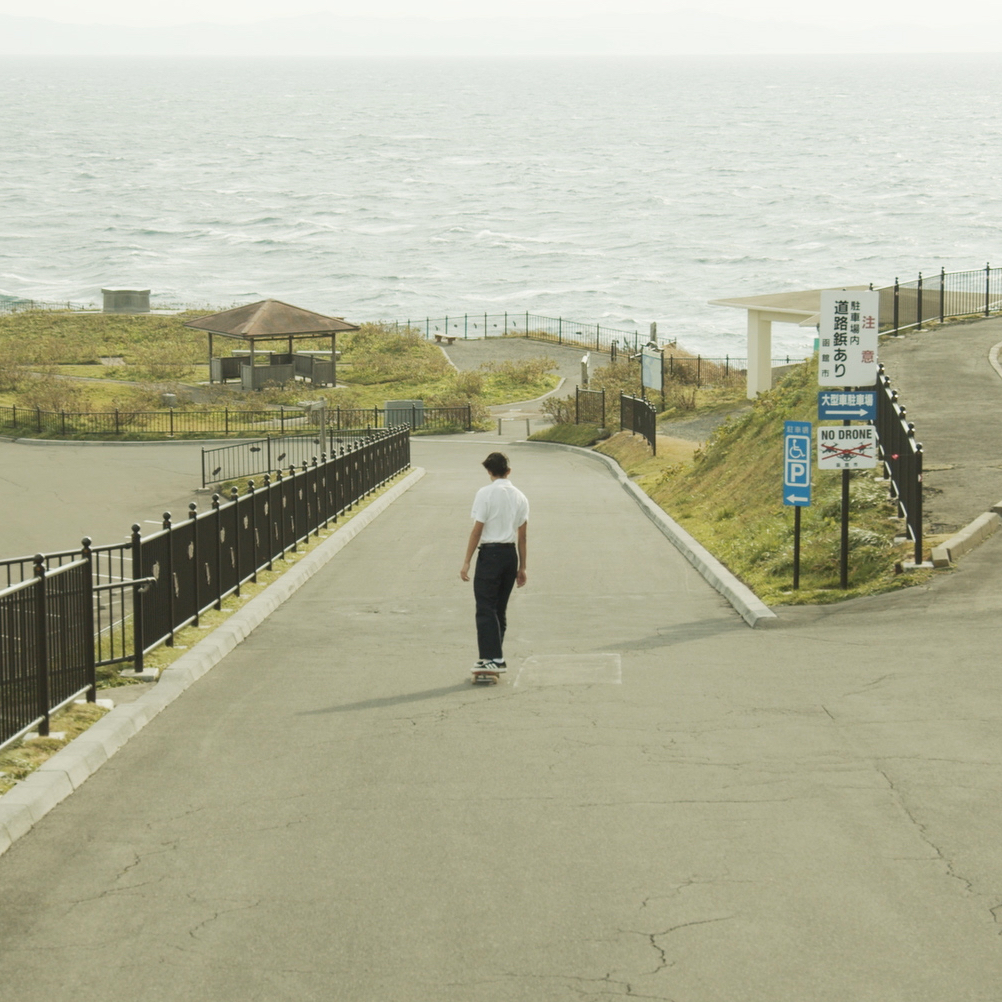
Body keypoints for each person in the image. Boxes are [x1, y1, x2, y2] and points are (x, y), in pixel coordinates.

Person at [459, 451, 529, 674]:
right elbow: (523, 535)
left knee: (485, 606)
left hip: (490, 554)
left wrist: (467, 561)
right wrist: (523, 567)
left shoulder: (485, 493)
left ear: (489, 471)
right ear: (508, 471)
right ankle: (494, 655)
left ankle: (493, 657)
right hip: (510, 555)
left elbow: (477, 530)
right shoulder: (520, 496)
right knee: (499, 608)